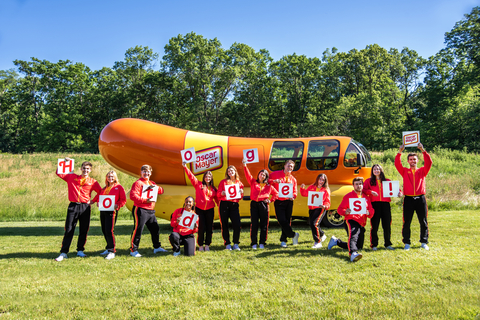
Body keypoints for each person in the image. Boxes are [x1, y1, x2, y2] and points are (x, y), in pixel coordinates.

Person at [55, 158, 102, 262]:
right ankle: (64, 252)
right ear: (81, 169)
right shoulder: (72, 177)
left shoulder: (93, 181)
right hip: (73, 206)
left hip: (85, 207)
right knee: (69, 229)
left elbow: (100, 192)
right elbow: (58, 172)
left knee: (84, 229)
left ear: (90, 170)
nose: (85, 170)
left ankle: (80, 250)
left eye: (88, 169)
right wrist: (64, 162)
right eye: (84, 168)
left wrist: (93, 201)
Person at [395, 143, 432, 250]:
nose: (413, 161)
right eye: (411, 159)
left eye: (414, 159)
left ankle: (424, 242)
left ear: (417, 160)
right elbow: (397, 164)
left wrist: (422, 150)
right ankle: (407, 242)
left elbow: (429, 162)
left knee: (423, 221)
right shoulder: (405, 171)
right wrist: (400, 152)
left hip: (421, 199)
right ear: (408, 161)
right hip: (408, 199)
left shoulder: (422, 171)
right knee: (407, 221)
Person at [327, 177, 374, 262]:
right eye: (356, 184)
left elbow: (371, 211)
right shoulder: (348, 196)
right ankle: (352, 253)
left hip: (361, 223)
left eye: (360, 184)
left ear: (362, 185)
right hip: (351, 220)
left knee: (359, 246)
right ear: (353, 186)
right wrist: (346, 211)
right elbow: (340, 210)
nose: (358, 186)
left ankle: (336, 241)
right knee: (353, 237)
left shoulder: (366, 198)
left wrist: (368, 213)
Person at [129, 164, 168, 257]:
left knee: (155, 229)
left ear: (151, 173)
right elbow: (133, 196)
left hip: (150, 210)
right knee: (138, 230)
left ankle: (157, 247)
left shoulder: (151, 183)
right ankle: (133, 250)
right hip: (140, 209)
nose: (146, 173)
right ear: (141, 172)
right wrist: (145, 200)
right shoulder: (138, 183)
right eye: (144, 171)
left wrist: (156, 188)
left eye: (148, 171)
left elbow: (161, 191)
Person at [363, 164, 401, 251]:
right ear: (372, 171)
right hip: (374, 205)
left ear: (381, 170)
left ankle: (387, 244)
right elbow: (364, 191)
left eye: (378, 169)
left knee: (387, 225)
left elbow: (396, 189)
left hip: (385, 205)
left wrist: (399, 193)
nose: (376, 170)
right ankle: (374, 245)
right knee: (375, 226)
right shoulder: (369, 181)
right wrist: (371, 192)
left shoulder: (387, 181)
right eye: (374, 169)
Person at [242, 160, 279, 250]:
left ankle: (262, 242)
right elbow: (248, 175)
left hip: (264, 205)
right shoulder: (253, 182)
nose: (261, 175)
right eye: (260, 174)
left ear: (266, 177)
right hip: (254, 204)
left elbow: (276, 194)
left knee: (264, 224)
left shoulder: (269, 186)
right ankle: (254, 243)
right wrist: (244, 165)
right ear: (258, 175)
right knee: (254, 224)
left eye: (263, 175)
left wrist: (270, 200)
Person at [91, 170, 126, 260]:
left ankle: (112, 251)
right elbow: (99, 196)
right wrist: (97, 202)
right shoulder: (104, 188)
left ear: (115, 178)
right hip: (103, 211)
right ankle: (108, 247)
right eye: (109, 176)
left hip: (112, 211)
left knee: (109, 230)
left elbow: (123, 199)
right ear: (106, 178)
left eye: (112, 176)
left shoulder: (119, 187)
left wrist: (117, 205)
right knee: (104, 230)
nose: (110, 178)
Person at [182, 162, 218, 252]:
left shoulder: (213, 188)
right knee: (201, 227)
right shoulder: (198, 184)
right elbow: (191, 176)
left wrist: (222, 207)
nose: (207, 178)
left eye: (209, 177)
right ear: (204, 177)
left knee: (209, 227)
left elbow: (218, 200)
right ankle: (200, 245)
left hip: (210, 210)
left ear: (211, 178)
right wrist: (185, 167)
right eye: (206, 176)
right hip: (200, 209)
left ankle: (207, 244)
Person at [268, 160, 299, 248]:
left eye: (291, 167)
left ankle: (283, 240)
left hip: (289, 202)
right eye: (288, 166)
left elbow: (295, 191)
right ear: (284, 166)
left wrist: (293, 196)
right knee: (281, 220)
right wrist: (274, 181)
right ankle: (293, 235)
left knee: (287, 220)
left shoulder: (293, 179)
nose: (290, 168)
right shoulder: (275, 174)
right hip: (278, 201)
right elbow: (267, 181)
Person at [300, 174, 331, 249]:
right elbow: (304, 194)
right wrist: (302, 188)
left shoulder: (325, 190)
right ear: (317, 179)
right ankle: (322, 235)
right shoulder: (311, 187)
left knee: (314, 224)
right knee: (313, 224)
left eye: (323, 180)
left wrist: (325, 206)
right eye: (320, 179)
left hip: (320, 209)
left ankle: (318, 241)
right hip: (311, 209)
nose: (321, 181)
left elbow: (327, 202)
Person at [217, 165, 244, 250]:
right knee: (224, 224)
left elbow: (240, 197)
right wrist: (222, 193)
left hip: (234, 205)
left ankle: (236, 243)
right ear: (227, 173)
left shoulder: (239, 183)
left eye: (231, 171)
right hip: (224, 204)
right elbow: (218, 194)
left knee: (237, 224)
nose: (230, 172)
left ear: (235, 171)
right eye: (228, 171)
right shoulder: (223, 182)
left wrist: (241, 192)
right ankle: (227, 243)